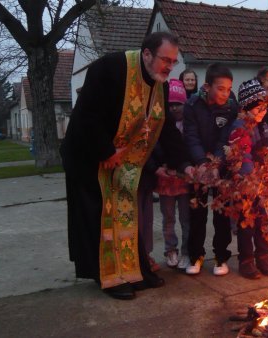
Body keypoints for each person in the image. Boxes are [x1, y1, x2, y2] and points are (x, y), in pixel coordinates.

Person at [60, 32, 192, 300]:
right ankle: (107, 277)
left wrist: (185, 163)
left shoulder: (161, 84)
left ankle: (135, 271)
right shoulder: (109, 68)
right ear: (146, 55)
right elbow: (87, 115)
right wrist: (105, 151)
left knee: (126, 216)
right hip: (88, 157)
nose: (169, 66)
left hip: (124, 163)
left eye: (173, 61)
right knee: (100, 218)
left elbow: (165, 127)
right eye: (165, 59)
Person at [183, 63, 238, 275]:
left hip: (221, 166)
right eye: (220, 88)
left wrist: (216, 164)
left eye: (228, 88)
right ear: (207, 86)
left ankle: (221, 257)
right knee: (197, 212)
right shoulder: (192, 105)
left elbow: (226, 138)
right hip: (198, 166)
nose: (225, 93)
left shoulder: (232, 107)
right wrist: (202, 163)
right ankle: (196, 255)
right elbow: (191, 136)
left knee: (222, 213)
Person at [229, 78, 268, 279]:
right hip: (245, 182)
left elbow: (263, 151)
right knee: (246, 222)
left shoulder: (262, 125)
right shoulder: (240, 127)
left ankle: (263, 255)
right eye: (258, 110)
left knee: (262, 220)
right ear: (246, 107)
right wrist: (250, 181)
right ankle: (246, 259)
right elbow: (243, 155)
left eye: (264, 109)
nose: (262, 113)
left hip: (258, 180)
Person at [155, 79, 192, 269]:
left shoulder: (189, 126)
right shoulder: (160, 126)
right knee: (168, 218)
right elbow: (156, 147)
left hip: (184, 180)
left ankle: (186, 251)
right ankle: (171, 249)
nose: (174, 109)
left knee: (186, 219)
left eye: (178, 104)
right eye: (170, 105)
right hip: (166, 180)